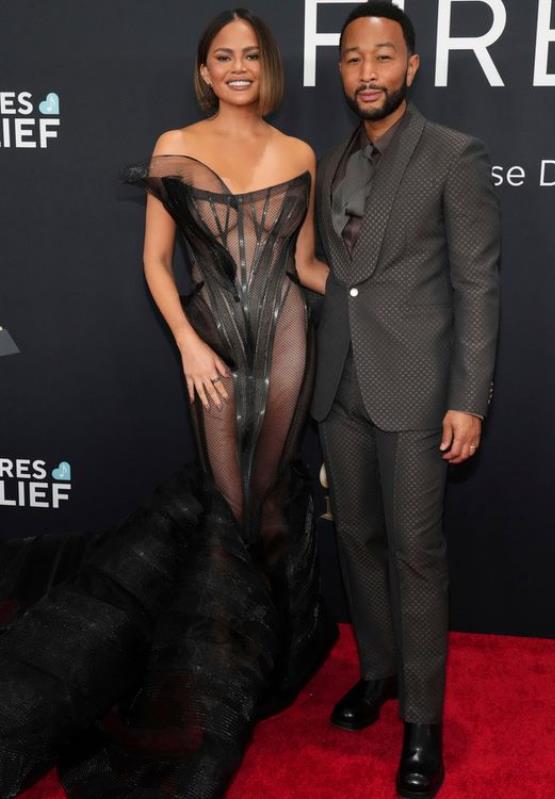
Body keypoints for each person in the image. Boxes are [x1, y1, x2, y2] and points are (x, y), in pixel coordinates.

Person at [0, 8, 333, 798]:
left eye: (252, 54)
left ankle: (270, 660)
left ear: (268, 66)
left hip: (287, 338)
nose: (240, 66)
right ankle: (212, 676)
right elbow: (155, 261)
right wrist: (187, 341)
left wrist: (377, 290)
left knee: (270, 504)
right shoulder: (175, 147)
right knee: (225, 507)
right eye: (226, 55)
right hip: (210, 339)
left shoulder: (300, 153)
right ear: (206, 69)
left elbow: (309, 259)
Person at [312, 3, 500, 797]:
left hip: (420, 390)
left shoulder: (453, 155)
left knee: (417, 554)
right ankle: (379, 673)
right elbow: (341, 277)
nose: (366, 73)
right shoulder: (332, 160)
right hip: (338, 384)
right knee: (356, 538)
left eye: (382, 57)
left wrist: (470, 397)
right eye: (353, 58)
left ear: (411, 67)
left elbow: (477, 284)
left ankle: (422, 720)